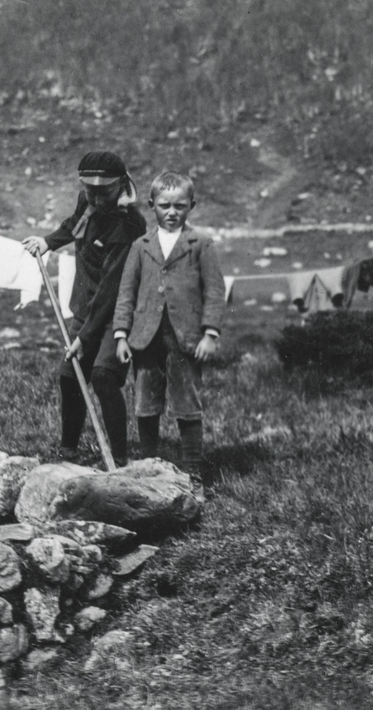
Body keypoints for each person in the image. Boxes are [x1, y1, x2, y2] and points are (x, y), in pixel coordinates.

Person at [23, 151, 146, 465]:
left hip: (117, 313)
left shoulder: (130, 224)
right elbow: (74, 225)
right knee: (70, 375)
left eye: (103, 190)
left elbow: (110, 289)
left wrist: (85, 337)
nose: (96, 196)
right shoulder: (88, 200)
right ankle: (68, 452)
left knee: (103, 375)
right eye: (90, 189)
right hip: (84, 308)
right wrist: (49, 241)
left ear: (121, 184)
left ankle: (118, 459)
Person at [112, 171, 226, 484]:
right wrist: (122, 334)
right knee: (146, 402)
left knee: (187, 403)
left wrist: (210, 333)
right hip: (146, 337)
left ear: (192, 205)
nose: (172, 212)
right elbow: (126, 292)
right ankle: (148, 468)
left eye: (180, 206)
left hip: (186, 337)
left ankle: (192, 473)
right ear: (151, 205)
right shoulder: (141, 246)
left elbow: (215, 291)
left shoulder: (201, 244)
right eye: (165, 206)